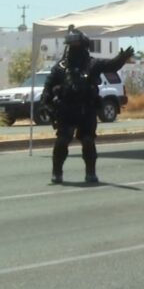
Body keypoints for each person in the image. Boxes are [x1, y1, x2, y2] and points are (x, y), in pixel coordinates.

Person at [42, 25, 135, 184]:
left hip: (87, 109)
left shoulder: (92, 64)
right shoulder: (61, 67)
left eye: (76, 45)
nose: (74, 48)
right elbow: (48, 88)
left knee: (88, 141)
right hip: (66, 109)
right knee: (63, 140)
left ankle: (90, 173)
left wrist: (121, 59)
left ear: (84, 46)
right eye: (71, 45)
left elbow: (111, 66)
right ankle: (57, 173)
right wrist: (46, 105)